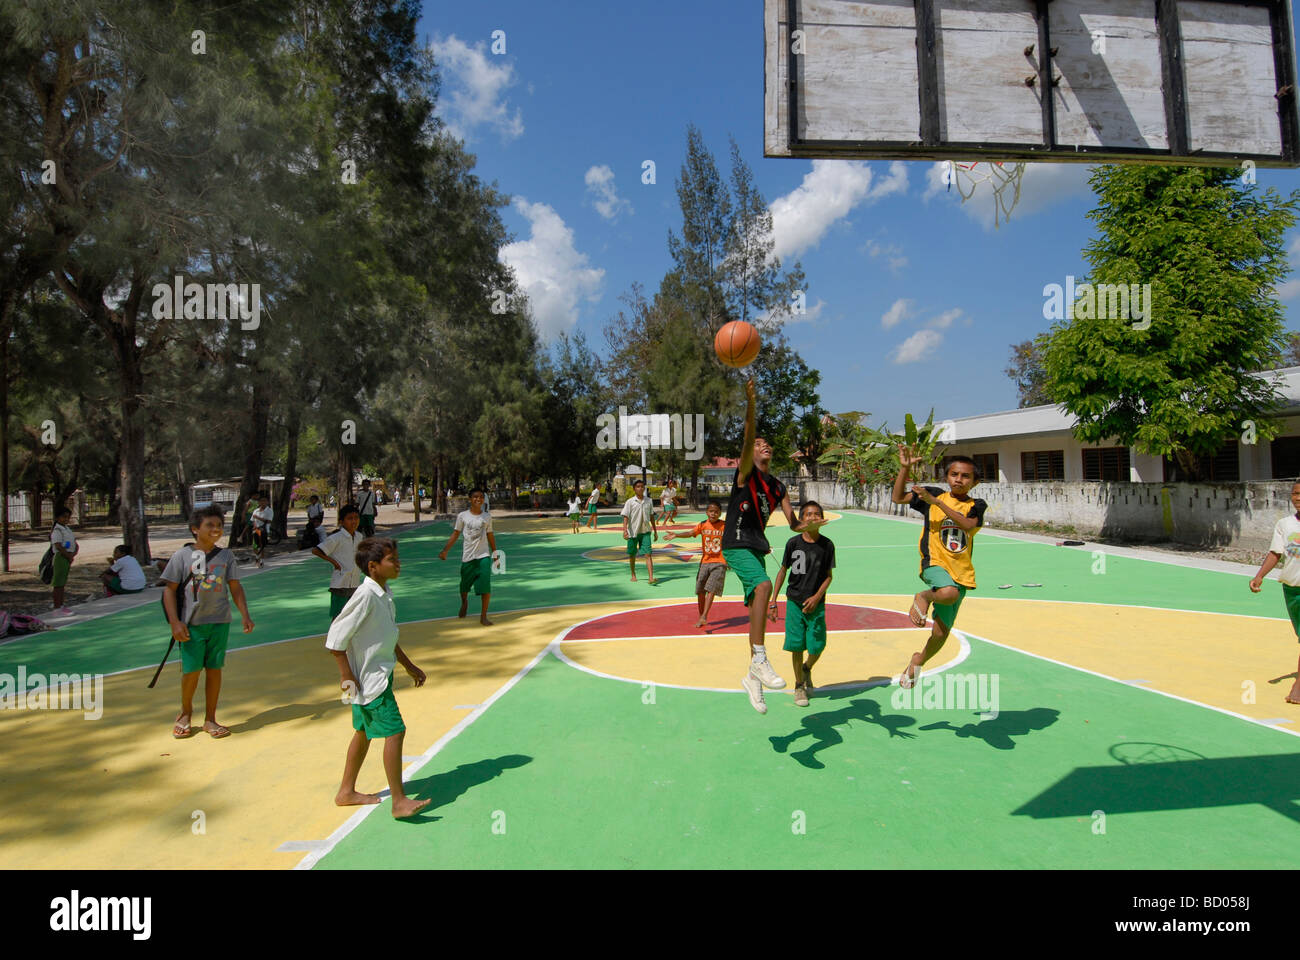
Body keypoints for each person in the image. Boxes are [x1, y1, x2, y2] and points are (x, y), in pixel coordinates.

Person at [722, 378, 822, 715]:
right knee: (764, 585)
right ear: (750, 453)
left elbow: (793, 523)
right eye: (758, 443)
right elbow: (749, 435)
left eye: (767, 444)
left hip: (757, 546)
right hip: (735, 542)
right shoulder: (746, 474)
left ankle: (753, 676)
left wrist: (809, 525)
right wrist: (750, 404)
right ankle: (761, 659)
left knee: (758, 607)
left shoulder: (778, 486)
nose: (763, 445)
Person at [326, 537, 431, 819]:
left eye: (397, 558)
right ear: (373, 567)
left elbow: (387, 634)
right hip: (369, 680)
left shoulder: (383, 592)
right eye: (391, 560)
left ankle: (346, 791)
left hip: (374, 676)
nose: (398, 563)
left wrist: (408, 665)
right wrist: (346, 675)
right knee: (395, 731)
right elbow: (335, 639)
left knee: (363, 733)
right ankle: (399, 801)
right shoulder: (365, 596)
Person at [891, 448, 987, 689]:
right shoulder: (934, 496)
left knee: (940, 635)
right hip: (933, 563)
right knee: (947, 593)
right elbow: (898, 498)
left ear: (975, 482)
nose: (959, 479)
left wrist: (936, 503)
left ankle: (917, 661)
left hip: (961, 572)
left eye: (966, 476)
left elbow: (966, 525)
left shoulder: (977, 505)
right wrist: (904, 468)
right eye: (954, 474)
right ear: (947, 477)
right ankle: (924, 595)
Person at [160, 505, 255, 739]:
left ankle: (210, 719)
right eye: (209, 525)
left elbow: (235, 586)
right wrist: (175, 622)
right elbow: (169, 591)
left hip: (220, 622)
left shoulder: (226, 556)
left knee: (214, 670)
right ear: (195, 529)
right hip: (192, 624)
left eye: (219, 525)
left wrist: (245, 614)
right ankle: (185, 713)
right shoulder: (181, 556)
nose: (216, 529)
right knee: (191, 672)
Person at [768, 501, 835, 707]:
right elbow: (783, 570)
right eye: (808, 514)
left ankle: (807, 668)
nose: (813, 517)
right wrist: (773, 600)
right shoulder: (793, 543)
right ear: (801, 519)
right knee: (796, 645)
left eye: (817, 514)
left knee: (817, 646)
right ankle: (799, 685)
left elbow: (828, 577)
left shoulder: (827, 545)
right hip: (795, 602)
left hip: (816, 604)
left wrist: (816, 597)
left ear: (823, 519)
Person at [1249, 479, 1300, 704]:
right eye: (1296, 493)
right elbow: (1275, 553)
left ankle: (1298, 685)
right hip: (1291, 589)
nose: (1298, 498)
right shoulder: (1285, 525)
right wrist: (1259, 576)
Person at [664, 499, 727, 628]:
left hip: (720, 562)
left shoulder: (725, 526)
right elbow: (691, 533)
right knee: (700, 590)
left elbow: (735, 540)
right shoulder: (703, 525)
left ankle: (704, 615)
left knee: (711, 589)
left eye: (716, 512)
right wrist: (676, 535)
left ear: (720, 513)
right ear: (706, 512)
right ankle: (701, 616)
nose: (713, 514)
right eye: (711, 511)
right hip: (705, 561)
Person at [438, 489, 496, 625]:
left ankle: (483, 616)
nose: (478, 499)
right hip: (468, 556)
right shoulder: (462, 516)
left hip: (484, 556)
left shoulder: (487, 517)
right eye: (475, 497)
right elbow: (455, 534)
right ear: (470, 499)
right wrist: (445, 550)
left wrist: (495, 553)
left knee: (485, 587)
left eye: (481, 497)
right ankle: (464, 602)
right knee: (464, 587)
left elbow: (490, 535)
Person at [313, 505, 365, 620]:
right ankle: (334, 637)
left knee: (353, 616)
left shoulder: (359, 536)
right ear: (341, 521)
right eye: (350, 518)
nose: (354, 521)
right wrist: (334, 562)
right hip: (340, 583)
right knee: (338, 617)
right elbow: (316, 551)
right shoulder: (336, 538)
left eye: (356, 518)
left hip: (355, 582)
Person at [621, 478, 658, 584]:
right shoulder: (630, 502)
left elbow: (651, 516)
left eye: (642, 486)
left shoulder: (649, 501)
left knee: (648, 554)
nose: (640, 488)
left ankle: (651, 577)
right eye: (638, 487)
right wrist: (624, 530)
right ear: (634, 489)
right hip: (633, 532)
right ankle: (633, 574)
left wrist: (655, 531)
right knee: (632, 554)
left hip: (645, 531)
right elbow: (625, 516)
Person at [49, 504, 79, 615]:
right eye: (63, 517)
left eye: (68, 517)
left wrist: (74, 552)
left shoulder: (66, 529)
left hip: (67, 557)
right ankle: (57, 607)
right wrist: (68, 556)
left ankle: (60, 604)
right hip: (61, 557)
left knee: (62, 582)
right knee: (58, 583)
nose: (66, 519)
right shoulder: (57, 530)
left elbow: (74, 543)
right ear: (57, 518)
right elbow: (58, 545)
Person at [250, 492, 273, 568]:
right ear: (259, 502)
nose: (263, 502)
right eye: (261, 501)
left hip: (264, 530)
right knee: (255, 546)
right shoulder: (256, 511)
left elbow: (269, 521)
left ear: (267, 502)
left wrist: (258, 518)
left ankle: (261, 561)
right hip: (256, 530)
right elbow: (253, 520)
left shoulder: (269, 510)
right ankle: (257, 557)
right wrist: (255, 526)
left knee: (262, 546)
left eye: (265, 501)